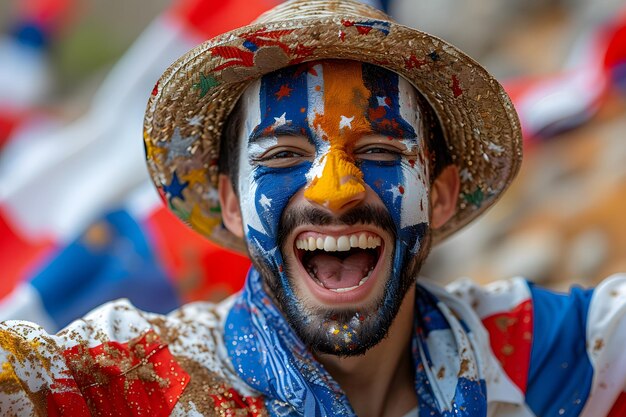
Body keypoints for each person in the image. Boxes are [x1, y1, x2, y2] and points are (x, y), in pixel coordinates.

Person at [1, 0, 626, 416]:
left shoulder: (541, 355)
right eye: (280, 158)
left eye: (381, 149)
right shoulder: (133, 381)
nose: (334, 191)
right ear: (230, 203)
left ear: (439, 194)